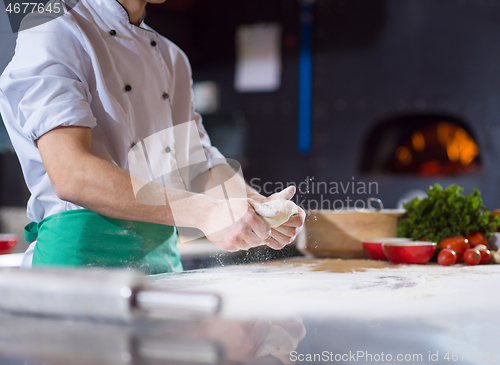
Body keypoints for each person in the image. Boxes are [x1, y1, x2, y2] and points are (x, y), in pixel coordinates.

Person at [0, 0, 305, 274]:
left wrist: (251, 208)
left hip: (161, 269)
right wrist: (205, 212)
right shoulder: (53, 28)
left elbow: (200, 166)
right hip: (76, 270)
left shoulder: (173, 59)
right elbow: (72, 174)